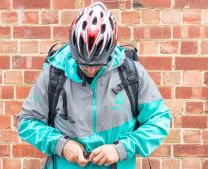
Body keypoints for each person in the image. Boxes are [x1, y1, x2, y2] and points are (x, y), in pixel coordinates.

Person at [17, 2, 171, 169]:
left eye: (98, 64)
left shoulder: (132, 74)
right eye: (83, 64)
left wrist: (121, 149)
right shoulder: (54, 74)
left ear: (111, 51)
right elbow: (27, 121)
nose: (90, 69)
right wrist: (61, 145)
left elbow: (160, 120)